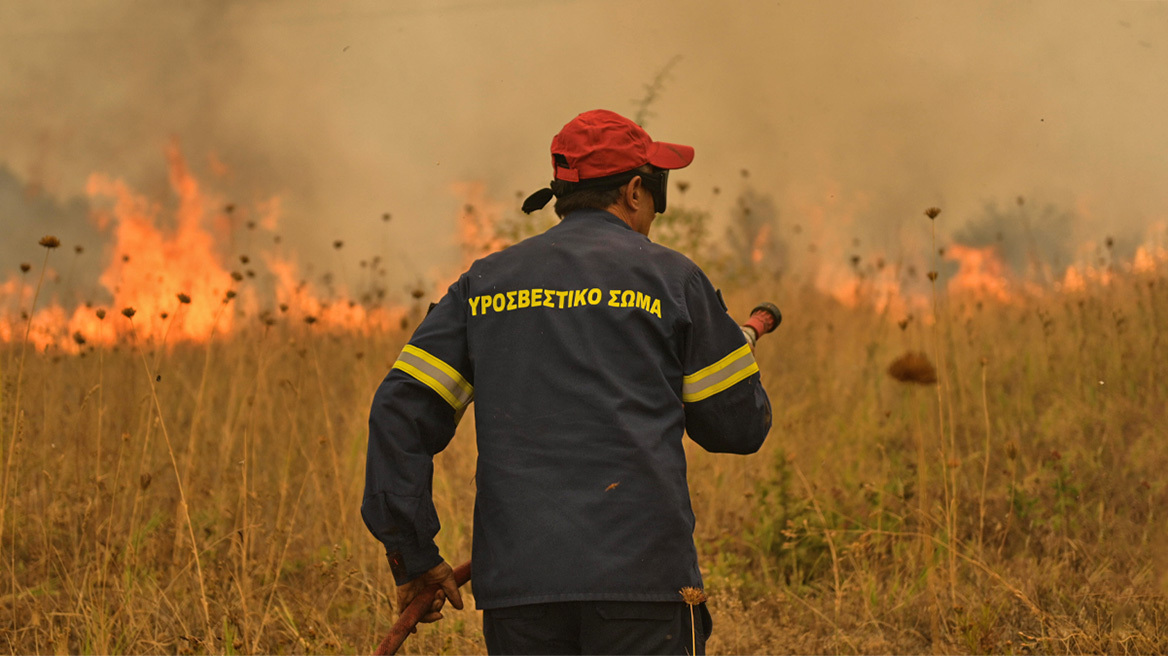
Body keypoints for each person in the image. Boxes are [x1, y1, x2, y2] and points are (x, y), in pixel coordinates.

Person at [362, 109, 772, 654]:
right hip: (644, 586)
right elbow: (737, 430)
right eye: (657, 193)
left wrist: (412, 555)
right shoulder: (673, 281)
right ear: (632, 191)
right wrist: (725, 361)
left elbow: (400, 412)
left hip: (520, 592)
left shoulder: (484, 285)